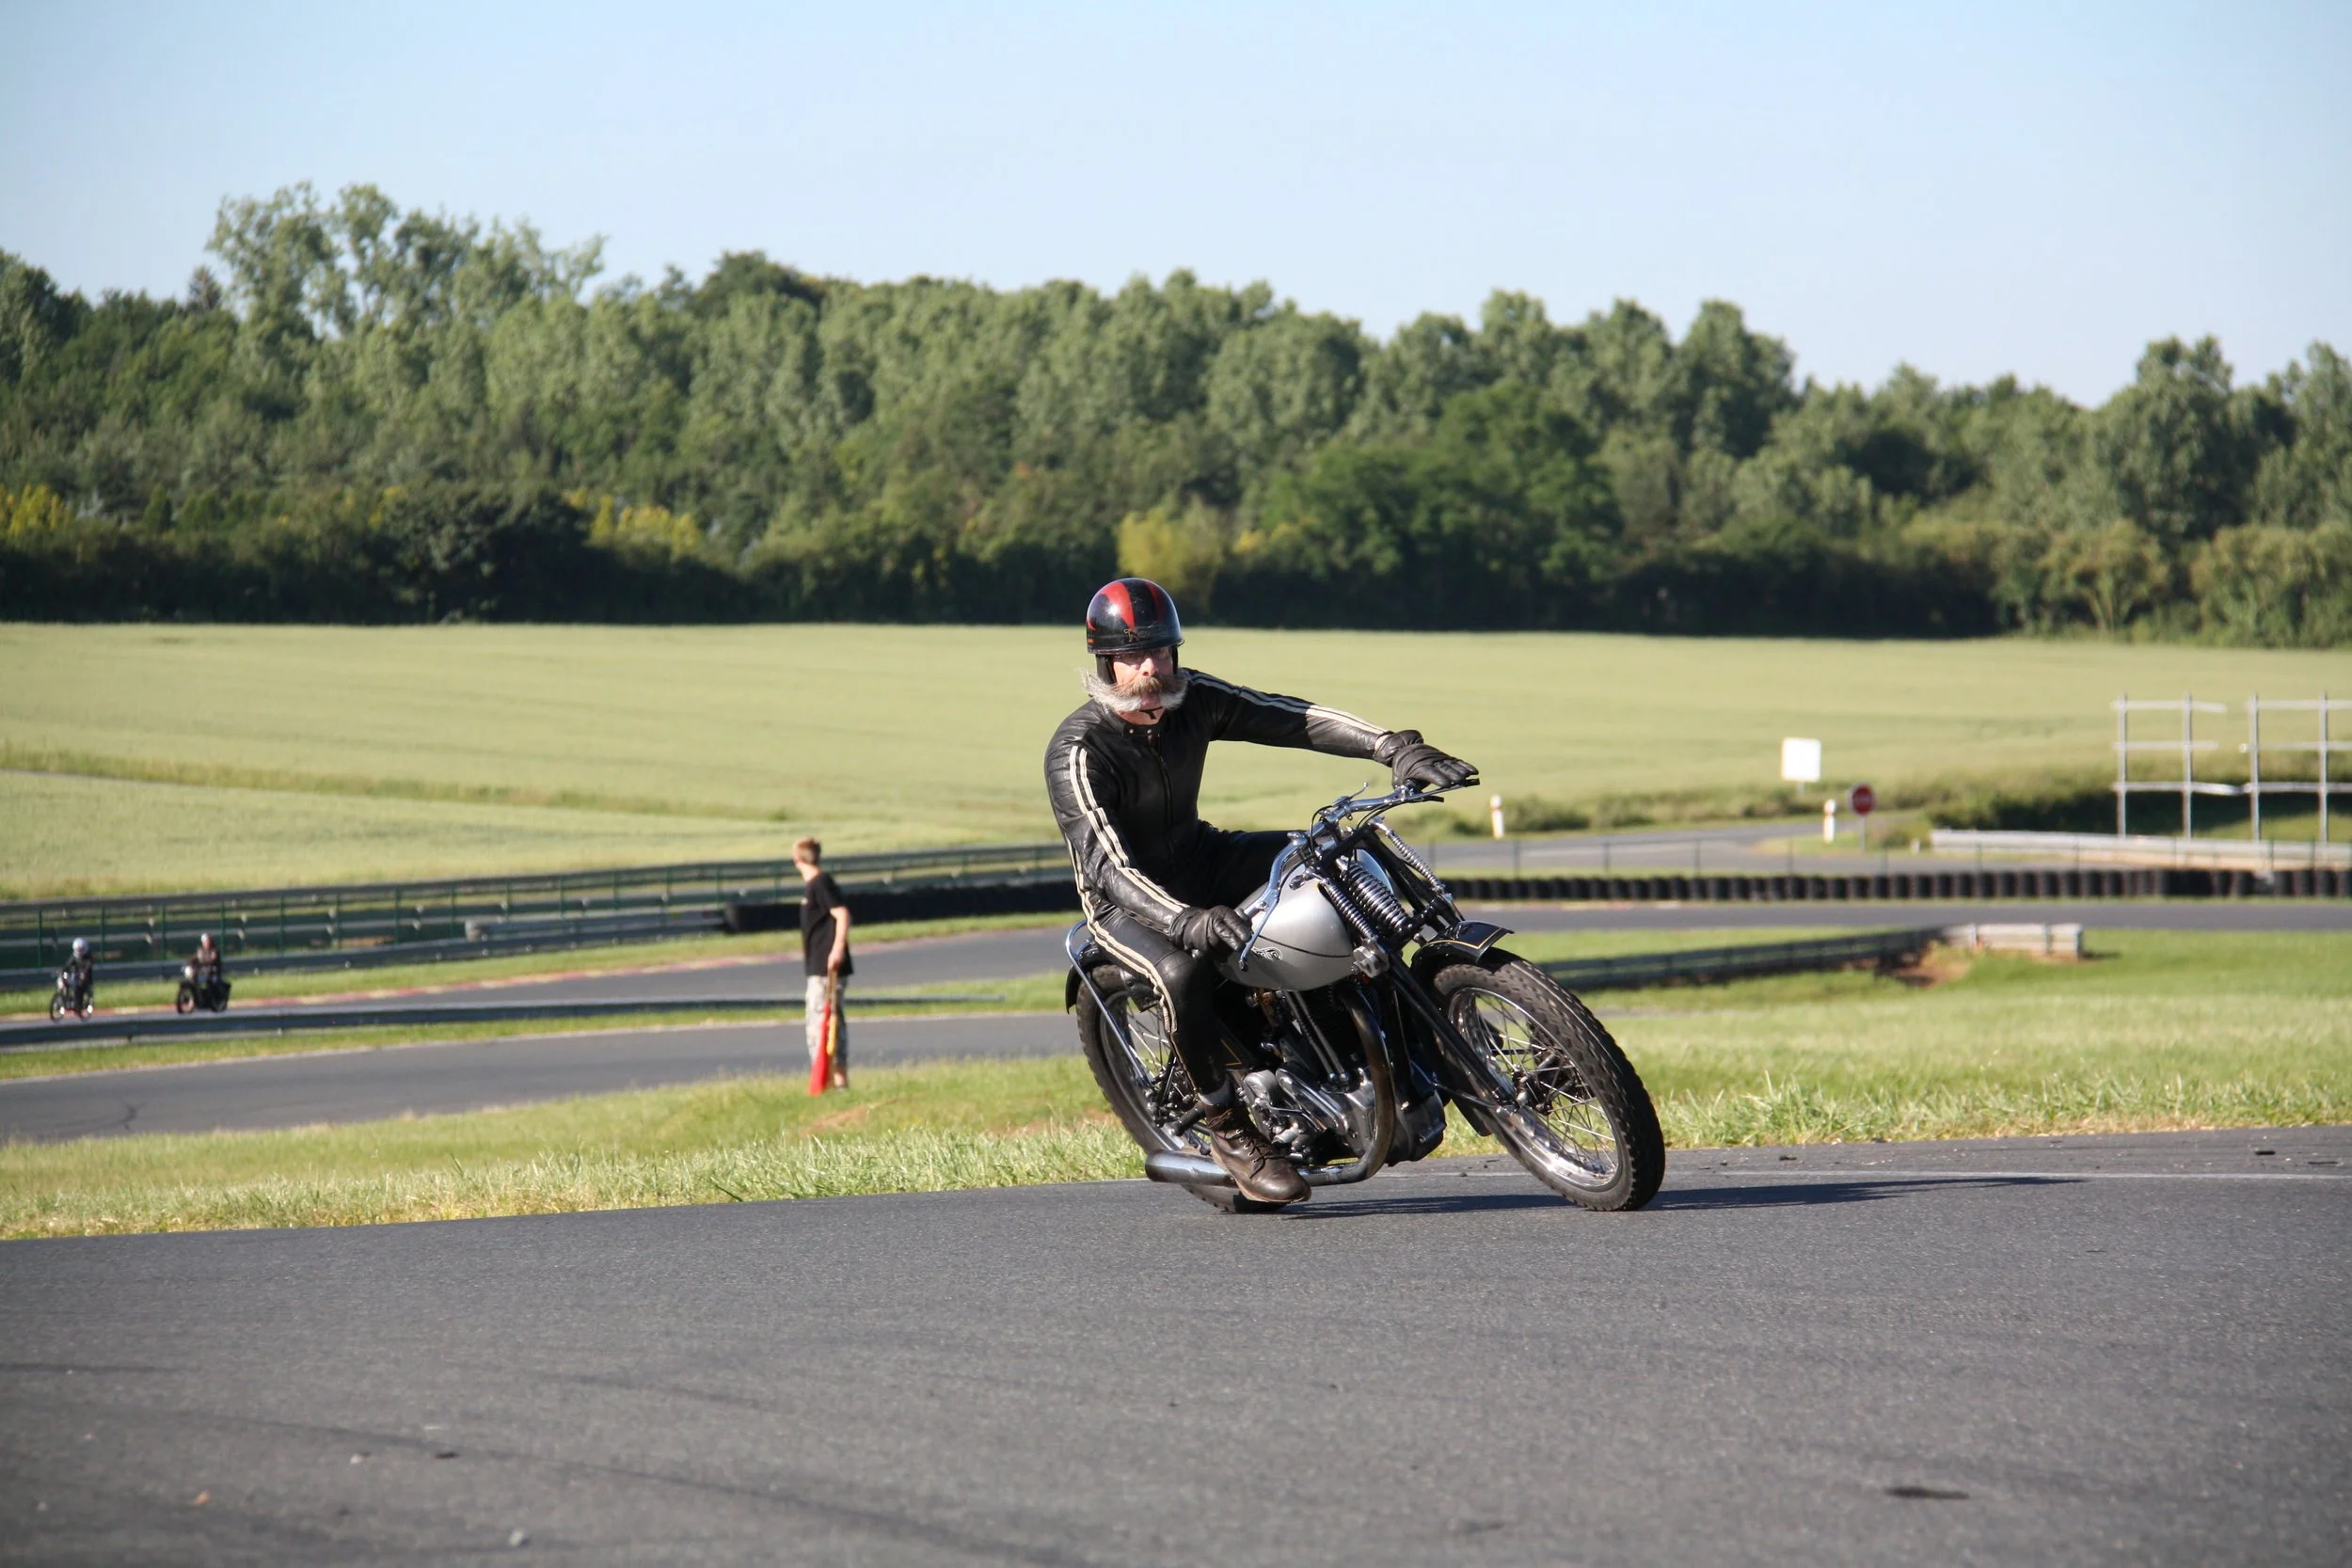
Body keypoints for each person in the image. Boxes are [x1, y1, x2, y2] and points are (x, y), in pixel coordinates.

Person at [1043, 577, 1476, 1204]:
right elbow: (1107, 867)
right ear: (1107, 662)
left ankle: (1407, 1034)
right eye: (1133, 655)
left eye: (1160, 651)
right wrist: (1186, 921)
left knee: (1328, 854)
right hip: (1124, 902)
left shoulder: (1195, 699)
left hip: (1200, 855)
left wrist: (1393, 747)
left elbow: (1292, 717)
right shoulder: (1079, 751)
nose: (1150, 669)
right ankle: (1228, 1126)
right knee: (1182, 973)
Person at [793, 836, 853, 1089]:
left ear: (797, 860)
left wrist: (837, 949)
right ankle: (829, 1079)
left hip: (826, 966)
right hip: (818, 965)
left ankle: (832, 1080)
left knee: (824, 1022)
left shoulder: (820, 883)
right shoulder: (814, 886)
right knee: (824, 1021)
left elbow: (842, 914)